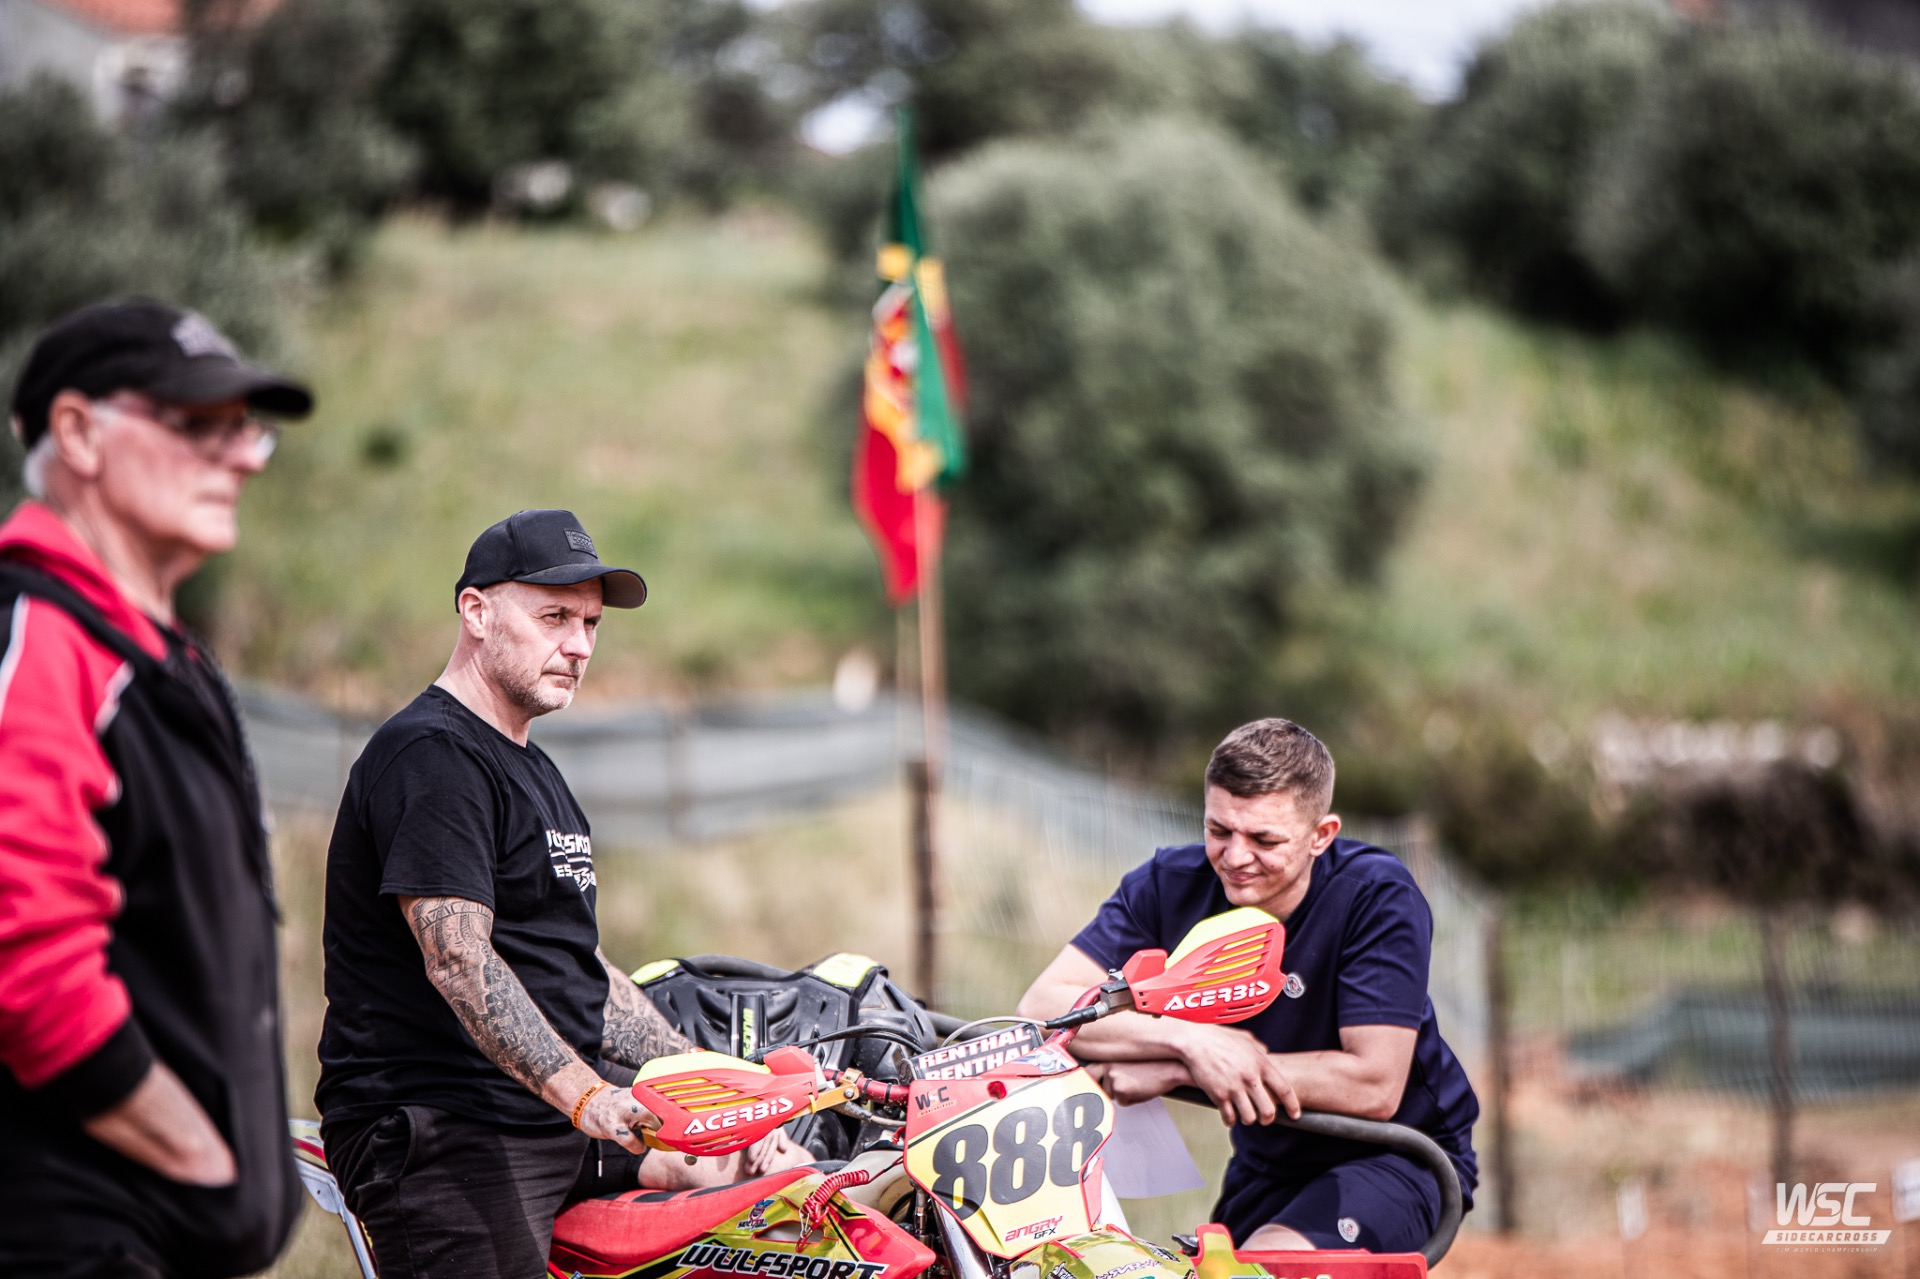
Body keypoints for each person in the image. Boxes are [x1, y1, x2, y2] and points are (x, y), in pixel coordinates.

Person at [317, 508, 808, 1279]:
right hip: (449, 1127)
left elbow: (578, 970)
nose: (578, 645)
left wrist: (712, 1086)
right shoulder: (432, 755)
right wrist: (589, 1097)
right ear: (476, 611)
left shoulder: (535, 770)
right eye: (554, 617)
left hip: (550, 1117)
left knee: (786, 1193)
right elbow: (458, 959)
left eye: (590, 623)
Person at [0, 299, 315, 1278]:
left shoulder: (148, 652)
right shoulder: (38, 640)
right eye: (197, 425)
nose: (245, 458)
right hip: (79, 1236)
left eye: (244, 429)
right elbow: (25, 960)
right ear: (77, 432)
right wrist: (198, 1160)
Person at [1017, 717, 1478, 1255]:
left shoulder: (1375, 896)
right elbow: (1042, 1009)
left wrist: (1179, 1070)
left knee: (1265, 1264)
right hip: (1268, 1159)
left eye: (1264, 839)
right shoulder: (1169, 884)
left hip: (1395, 1153)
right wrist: (1189, 1041)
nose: (1235, 858)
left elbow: (1374, 1084)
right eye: (1219, 831)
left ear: (1321, 836)